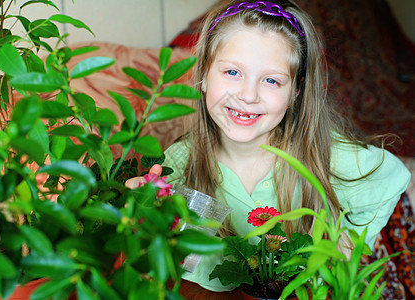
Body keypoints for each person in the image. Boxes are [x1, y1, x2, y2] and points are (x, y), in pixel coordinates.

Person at [126, 0, 411, 293]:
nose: (248, 95)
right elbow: (173, 247)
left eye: (272, 80)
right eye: (232, 73)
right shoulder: (181, 161)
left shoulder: (324, 155)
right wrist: (144, 211)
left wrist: (342, 248)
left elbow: (391, 179)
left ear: (296, 92)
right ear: (203, 77)